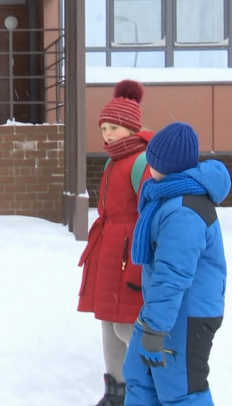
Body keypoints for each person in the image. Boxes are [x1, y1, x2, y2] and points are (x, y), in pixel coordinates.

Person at [122, 122, 229, 405]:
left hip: (186, 314)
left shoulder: (183, 210)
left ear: (167, 164)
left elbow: (174, 275)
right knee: (138, 374)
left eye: (153, 158)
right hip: (165, 309)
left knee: (180, 392)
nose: (149, 164)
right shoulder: (168, 196)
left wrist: (156, 329)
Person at [76, 79, 153, 406]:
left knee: (126, 327)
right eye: (104, 127)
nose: (107, 134)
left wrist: (143, 259)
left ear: (130, 128)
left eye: (114, 128)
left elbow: (151, 214)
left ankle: (146, 389)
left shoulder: (141, 161)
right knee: (108, 324)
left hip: (129, 256)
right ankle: (116, 392)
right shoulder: (112, 160)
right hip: (109, 252)